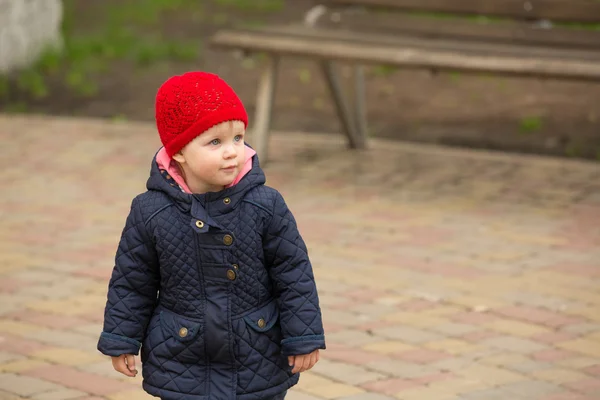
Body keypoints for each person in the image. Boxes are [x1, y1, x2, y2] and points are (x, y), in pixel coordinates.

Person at [97, 71, 326, 400]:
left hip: (255, 354)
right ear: (178, 152)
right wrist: (122, 337)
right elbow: (133, 280)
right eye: (215, 141)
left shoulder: (265, 204)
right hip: (182, 356)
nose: (232, 151)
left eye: (238, 137)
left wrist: (303, 337)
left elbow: (293, 273)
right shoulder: (150, 212)